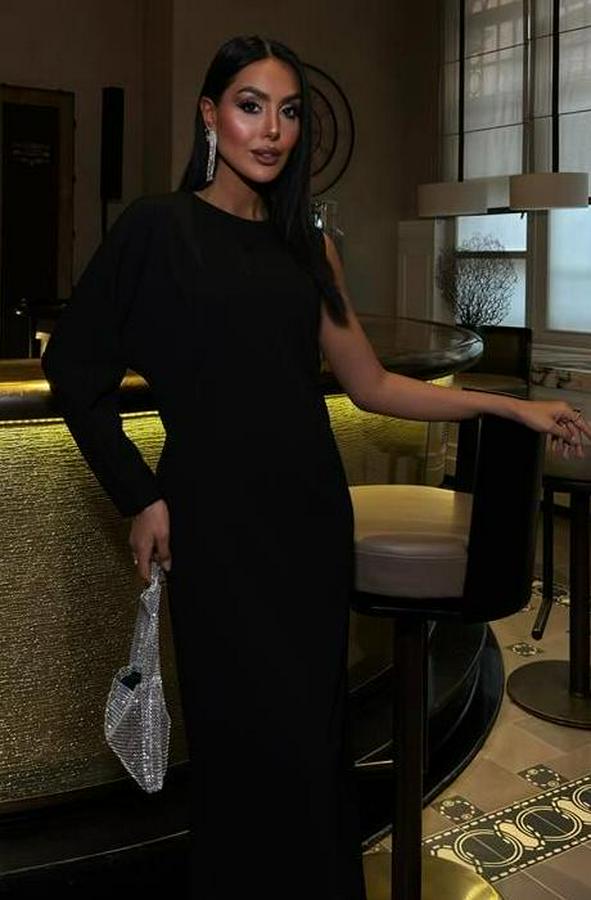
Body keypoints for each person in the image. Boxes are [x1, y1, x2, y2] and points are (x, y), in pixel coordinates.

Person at [42, 34, 590, 900]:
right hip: (214, 523)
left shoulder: (309, 246)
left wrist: (508, 406)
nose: (271, 130)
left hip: (309, 519)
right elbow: (74, 369)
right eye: (249, 106)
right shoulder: (157, 228)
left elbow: (371, 385)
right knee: (236, 746)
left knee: (311, 741)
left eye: (288, 112)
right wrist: (138, 494)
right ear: (210, 115)